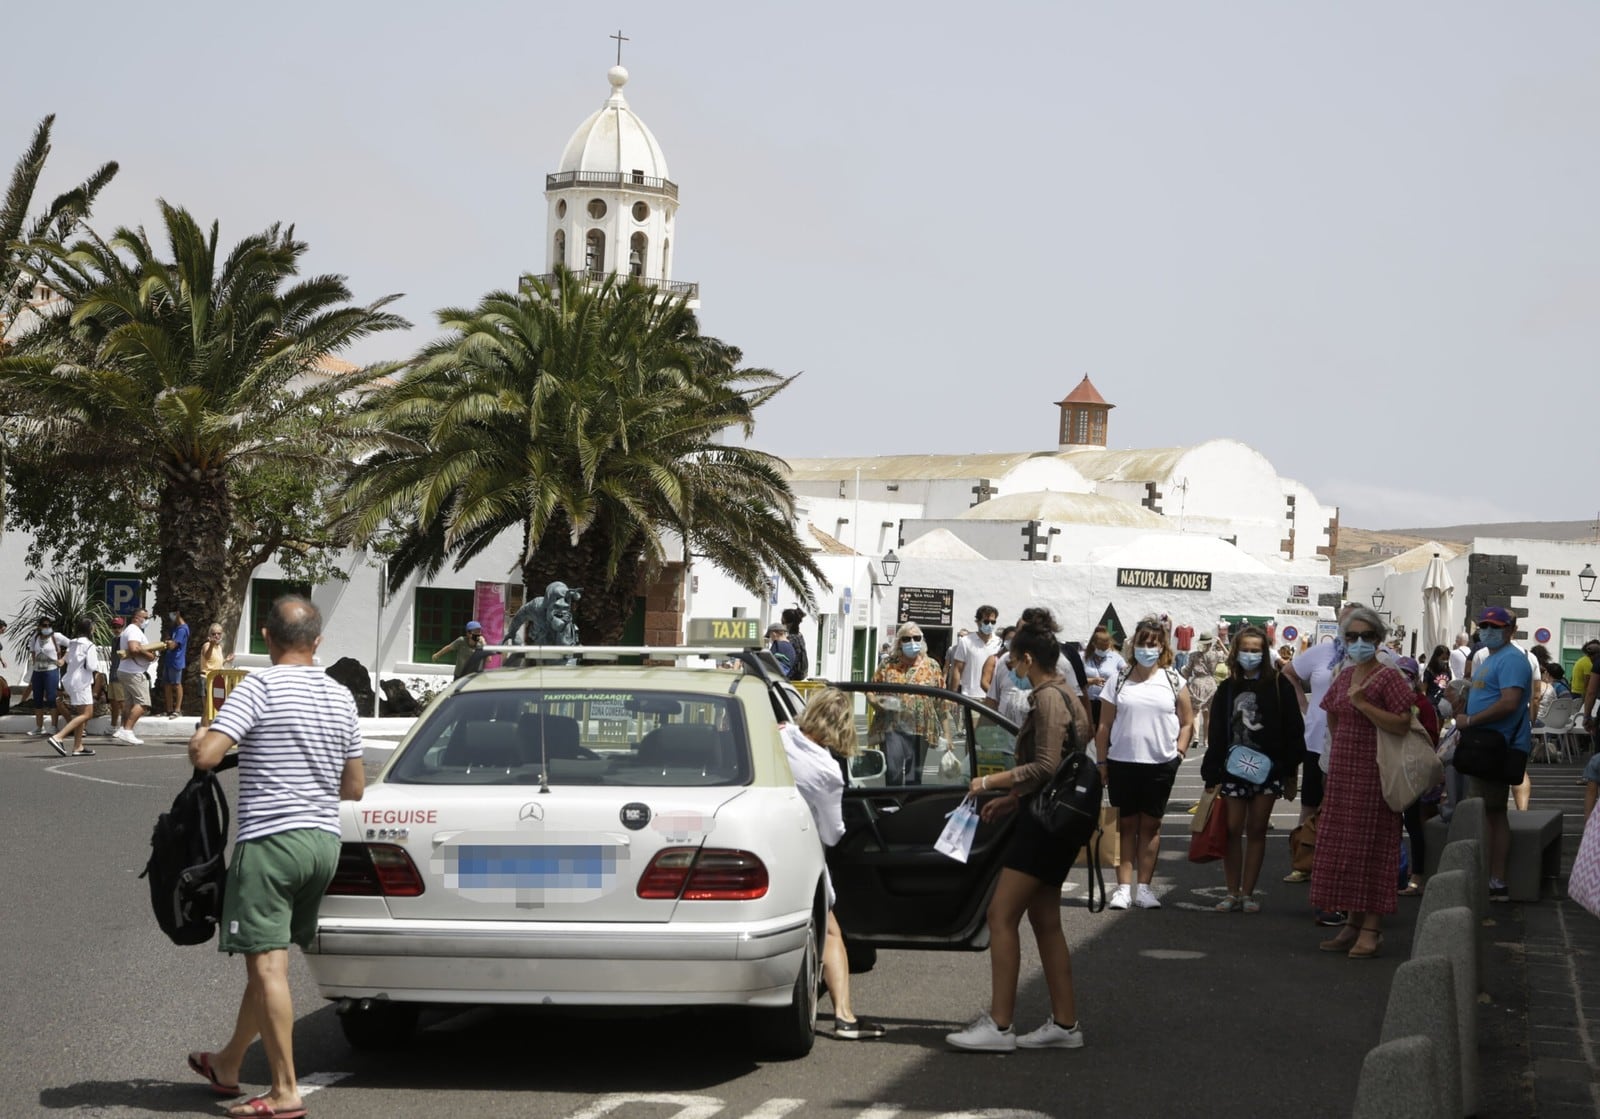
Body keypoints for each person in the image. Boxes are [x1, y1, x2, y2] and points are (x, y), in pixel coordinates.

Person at [184, 595, 364, 1119]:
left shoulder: (259, 686)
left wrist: (200, 737)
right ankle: (229, 1062)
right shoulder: (340, 695)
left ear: (266, 637)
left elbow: (208, 755)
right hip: (322, 845)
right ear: (318, 642)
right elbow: (353, 787)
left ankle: (285, 1091)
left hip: (270, 842)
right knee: (271, 960)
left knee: (266, 966)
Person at [947, 609, 1093, 1052]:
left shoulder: (1049, 698)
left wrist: (991, 782)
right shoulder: (1066, 693)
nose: (1010, 668)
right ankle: (1065, 1024)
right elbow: (1061, 766)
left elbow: (1047, 764)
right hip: (1055, 818)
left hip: (1044, 827)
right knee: (1045, 920)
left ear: (1029, 658)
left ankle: (1001, 1024)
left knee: (1001, 915)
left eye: (1013, 661)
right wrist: (1014, 797)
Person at [779, 688, 885, 1040]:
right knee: (830, 932)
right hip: (801, 858)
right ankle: (844, 1016)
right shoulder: (827, 771)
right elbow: (833, 831)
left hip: (760, 851)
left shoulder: (779, 736)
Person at [1310, 607, 1413, 957]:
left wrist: (1364, 705)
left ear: (1379, 640)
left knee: (1373, 848)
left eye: (1366, 637)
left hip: (1376, 775)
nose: (1358, 643)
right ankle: (1352, 924)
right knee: (1347, 849)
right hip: (1343, 775)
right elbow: (1334, 719)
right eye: (1351, 637)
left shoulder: (1389, 677)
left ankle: (1372, 928)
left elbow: (1401, 723)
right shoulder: (1344, 675)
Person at [1201, 625, 1305, 913]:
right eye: (1245, 650)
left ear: (1265, 652)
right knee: (1232, 829)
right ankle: (1231, 891)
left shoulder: (1279, 686)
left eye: (1255, 650)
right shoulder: (1227, 687)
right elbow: (1218, 732)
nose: (1250, 655)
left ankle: (1248, 893)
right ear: (1236, 652)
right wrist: (1211, 772)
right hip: (1233, 768)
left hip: (1268, 769)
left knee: (1257, 829)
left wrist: (1287, 772)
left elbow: (1294, 730)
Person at [1096, 616, 1194, 911]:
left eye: (1153, 644)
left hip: (1160, 763)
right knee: (1123, 826)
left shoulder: (1174, 680)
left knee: (1151, 826)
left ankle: (1145, 889)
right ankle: (1123, 888)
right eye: (1142, 644)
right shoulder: (1119, 679)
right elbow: (1104, 724)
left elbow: (1187, 722)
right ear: (1133, 646)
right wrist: (1101, 761)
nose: (1147, 649)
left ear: (1162, 647)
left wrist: (1178, 753)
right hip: (1122, 762)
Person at [1462, 606, 1534, 903]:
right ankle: (1491, 876)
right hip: (1484, 742)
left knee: (1492, 812)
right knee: (1487, 811)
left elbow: (1509, 703)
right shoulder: (1492, 659)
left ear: (1510, 630)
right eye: (1484, 625)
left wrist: (1472, 720)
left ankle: (1496, 879)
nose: (1488, 630)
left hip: (1497, 744)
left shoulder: (1513, 660)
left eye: (1496, 626)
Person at [868, 621, 947, 785]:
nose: (912, 642)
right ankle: (892, 807)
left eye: (916, 638)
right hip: (892, 726)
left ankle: (909, 807)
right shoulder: (888, 664)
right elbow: (870, 689)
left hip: (921, 727)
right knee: (893, 772)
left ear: (922, 640)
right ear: (899, 642)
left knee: (914, 776)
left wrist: (947, 733)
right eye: (907, 639)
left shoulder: (932, 665)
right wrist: (876, 703)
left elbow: (941, 700)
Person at [1392, 657, 1441, 896]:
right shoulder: (1388, 701)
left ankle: (1417, 876)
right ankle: (1394, 873)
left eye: (1407, 675)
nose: (1402, 679)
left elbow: (1432, 737)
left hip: (1413, 771)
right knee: (1390, 824)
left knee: (1413, 823)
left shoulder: (1423, 704)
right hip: (1391, 768)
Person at [50, 617, 105, 757]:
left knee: (82, 714)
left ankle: (78, 746)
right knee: (87, 714)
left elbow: (67, 659)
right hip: (82, 682)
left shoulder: (72, 643)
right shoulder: (89, 645)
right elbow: (92, 666)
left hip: (70, 680)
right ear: (90, 629)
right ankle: (59, 737)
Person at [113, 607, 158, 745]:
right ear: (137, 617)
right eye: (145, 618)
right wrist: (150, 655)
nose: (147, 620)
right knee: (143, 703)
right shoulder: (133, 630)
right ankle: (128, 730)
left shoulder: (130, 630)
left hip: (126, 671)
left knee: (129, 703)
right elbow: (133, 648)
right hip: (134, 673)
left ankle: (122, 728)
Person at [25, 616, 68, 740]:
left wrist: (63, 659)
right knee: (37, 698)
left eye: (49, 625)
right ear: (39, 626)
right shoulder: (35, 637)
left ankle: (53, 726)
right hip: (38, 671)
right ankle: (39, 727)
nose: (47, 627)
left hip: (51, 670)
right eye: (44, 625)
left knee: (51, 698)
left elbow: (72, 645)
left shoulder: (57, 637)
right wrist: (34, 664)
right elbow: (32, 651)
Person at [949, 605, 1002, 699]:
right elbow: (957, 669)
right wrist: (953, 696)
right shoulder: (966, 641)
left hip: (992, 697)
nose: (989, 625)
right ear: (978, 622)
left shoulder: (999, 643)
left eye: (993, 622)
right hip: (970, 697)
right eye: (986, 621)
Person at [1081, 625, 1125, 728]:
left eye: (1106, 648)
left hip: (1107, 702)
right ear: (1094, 645)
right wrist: (1091, 681)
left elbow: (1126, 674)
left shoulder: (1116, 658)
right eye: (1100, 648)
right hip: (1088, 702)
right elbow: (1076, 680)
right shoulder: (1083, 658)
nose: (1103, 650)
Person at [199, 623, 237, 727]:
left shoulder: (219, 647)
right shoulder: (207, 645)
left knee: (216, 707)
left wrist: (226, 660)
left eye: (219, 634)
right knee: (207, 708)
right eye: (214, 633)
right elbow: (207, 656)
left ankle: (209, 730)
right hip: (207, 679)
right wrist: (211, 645)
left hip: (217, 681)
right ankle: (204, 732)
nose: (216, 636)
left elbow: (215, 663)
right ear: (209, 635)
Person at [157, 608, 191, 718]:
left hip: (176, 660)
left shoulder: (182, 630)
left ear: (178, 614)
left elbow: (173, 645)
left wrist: (168, 642)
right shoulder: (176, 628)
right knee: (167, 684)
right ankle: (169, 709)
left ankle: (177, 709)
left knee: (176, 684)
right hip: (169, 660)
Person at [103, 616, 125, 736]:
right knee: (113, 702)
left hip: (120, 674)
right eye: (114, 627)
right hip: (112, 673)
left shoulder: (123, 639)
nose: (116, 629)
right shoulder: (114, 640)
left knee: (121, 702)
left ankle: (123, 727)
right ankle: (113, 725)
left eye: (119, 627)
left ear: (123, 627)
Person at [780, 606, 810, 680]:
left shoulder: (790, 639)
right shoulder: (800, 636)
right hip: (800, 675)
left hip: (792, 677)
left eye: (783, 621)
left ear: (788, 623)